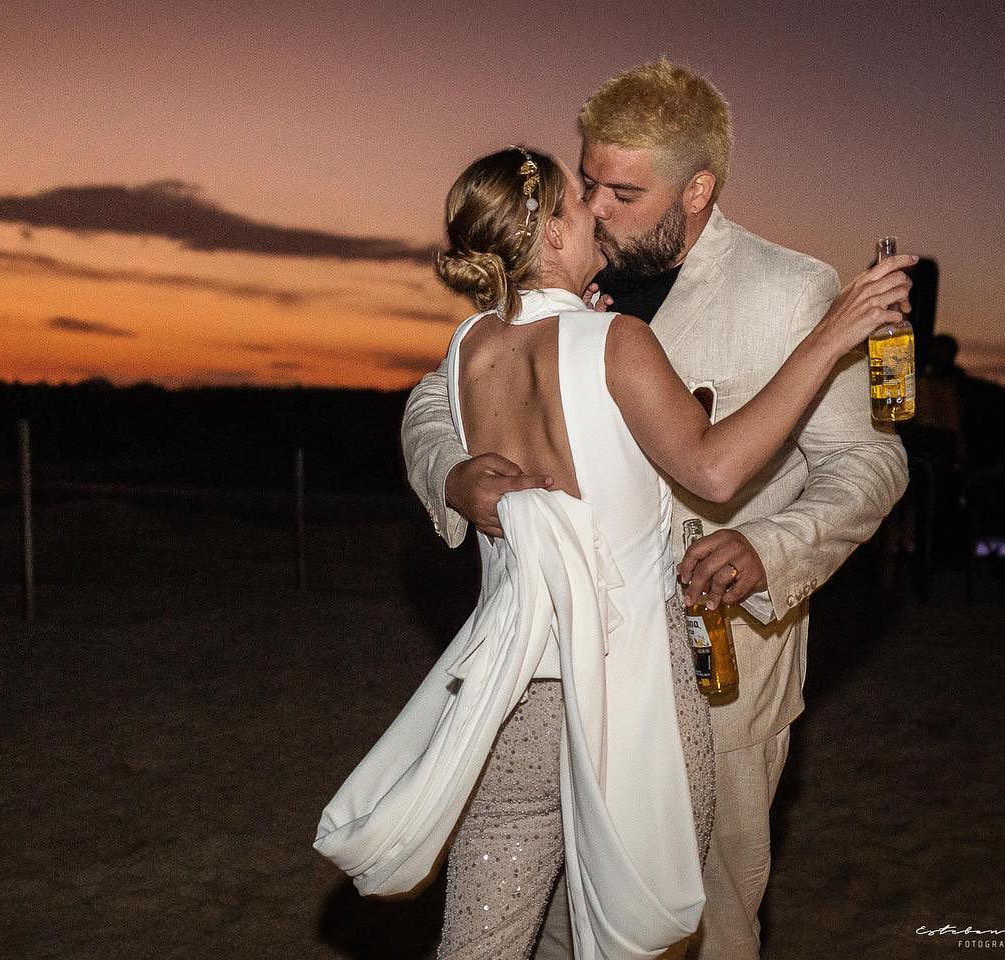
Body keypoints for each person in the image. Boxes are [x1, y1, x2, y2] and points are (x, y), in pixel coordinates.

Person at [316, 145, 913, 958]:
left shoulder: (467, 351)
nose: (597, 208)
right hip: (636, 695)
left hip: (512, 694)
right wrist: (832, 335)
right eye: (578, 198)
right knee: (645, 929)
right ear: (553, 235)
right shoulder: (617, 341)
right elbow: (712, 465)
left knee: (480, 941)